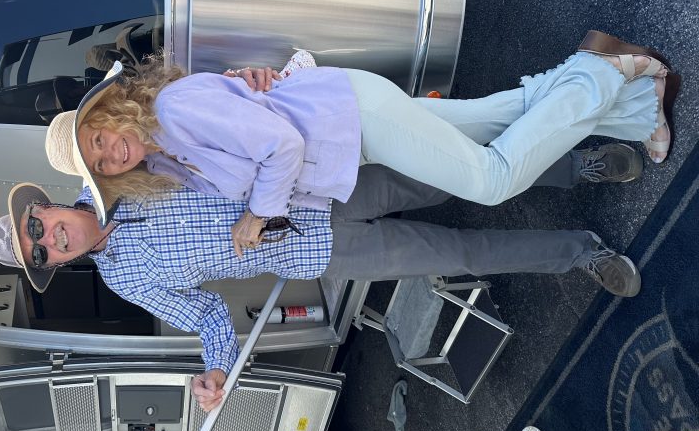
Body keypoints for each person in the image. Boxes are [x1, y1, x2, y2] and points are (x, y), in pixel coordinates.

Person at [0, 162, 643, 411]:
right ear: (54, 264)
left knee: (461, 176)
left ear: (45, 204)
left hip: (319, 184)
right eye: (40, 253)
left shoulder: (114, 169)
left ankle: (578, 165)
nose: (49, 239)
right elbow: (209, 316)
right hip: (322, 250)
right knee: (460, 251)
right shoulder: (124, 278)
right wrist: (215, 372)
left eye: (36, 226)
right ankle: (583, 253)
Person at [43, 33, 680, 254]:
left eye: (99, 138)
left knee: (491, 180)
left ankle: (598, 72)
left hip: (352, 118)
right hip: (352, 127)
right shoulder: (166, 153)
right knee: (497, 117)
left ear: (111, 112)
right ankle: (636, 106)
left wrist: (257, 216)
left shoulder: (174, 110)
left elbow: (280, 146)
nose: (110, 153)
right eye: (100, 162)